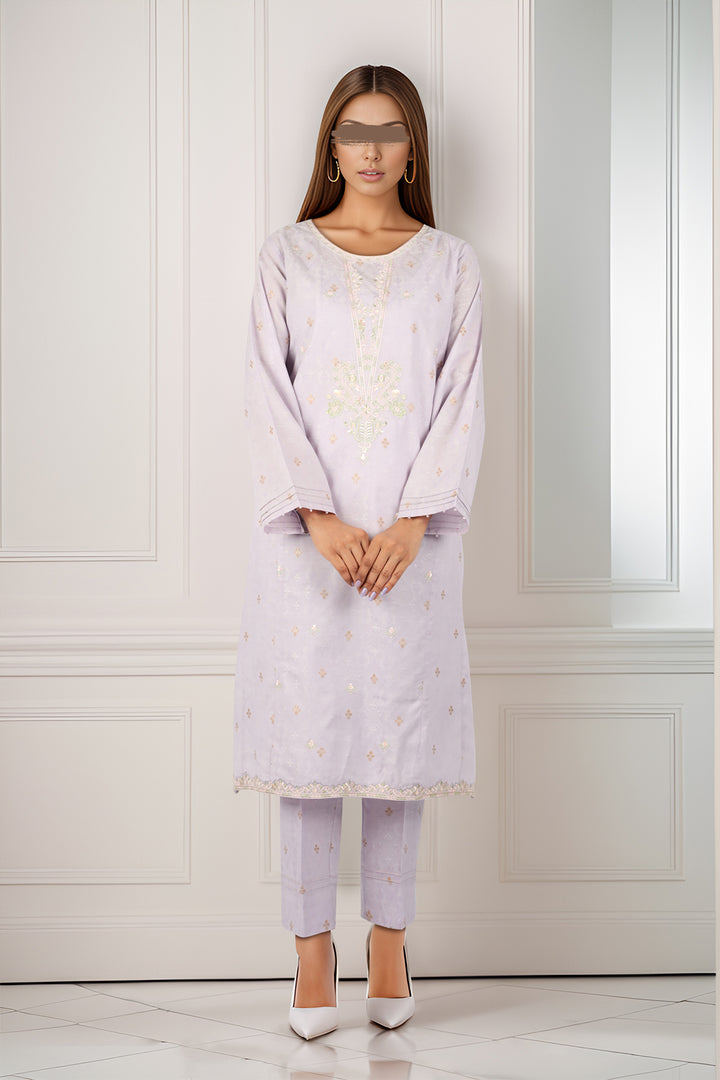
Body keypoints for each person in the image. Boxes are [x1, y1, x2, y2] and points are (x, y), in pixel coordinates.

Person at [233, 63, 485, 1040]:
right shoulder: (285, 258)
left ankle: (388, 942)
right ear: (331, 146)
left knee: (397, 746)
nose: (371, 149)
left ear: (413, 146)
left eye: (388, 131)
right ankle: (310, 952)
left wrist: (416, 522)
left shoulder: (452, 265)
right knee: (306, 754)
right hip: (306, 548)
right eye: (353, 131)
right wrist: (316, 517)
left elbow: (461, 403)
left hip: (412, 545)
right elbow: (266, 394)